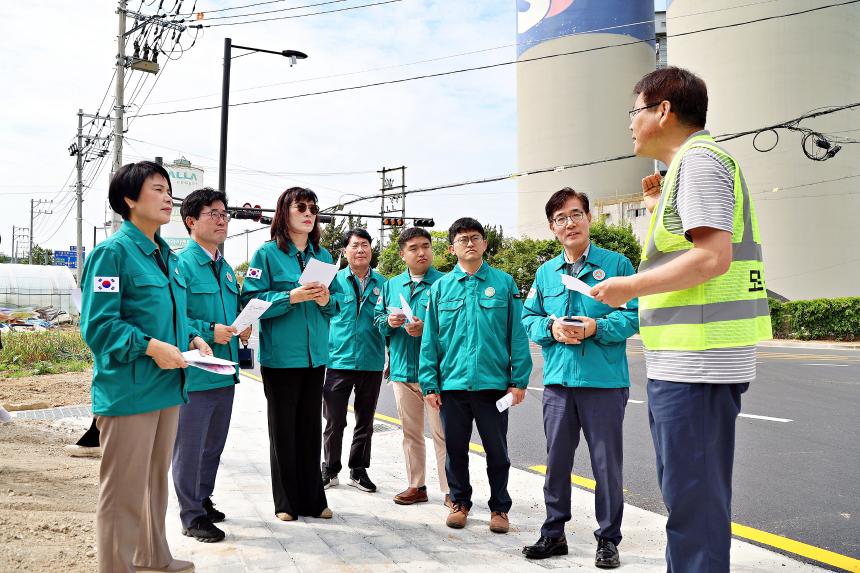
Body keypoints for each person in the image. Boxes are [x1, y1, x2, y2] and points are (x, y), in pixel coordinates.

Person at [592, 67, 772, 572]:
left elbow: (712, 258)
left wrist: (626, 287)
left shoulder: (700, 162)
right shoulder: (684, 171)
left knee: (693, 502)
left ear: (664, 110)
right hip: (685, 359)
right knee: (687, 496)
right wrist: (655, 207)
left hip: (701, 359)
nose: (631, 124)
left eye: (636, 110)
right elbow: (686, 251)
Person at [81, 160, 212, 573]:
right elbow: (99, 328)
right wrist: (151, 346)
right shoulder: (111, 255)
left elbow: (171, 315)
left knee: (155, 485)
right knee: (123, 492)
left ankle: (153, 557)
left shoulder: (167, 258)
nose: (168, 196)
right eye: (157, 189)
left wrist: (191, 335)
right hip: (130, 390)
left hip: (168, 386)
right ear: (129, 199)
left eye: (168, 189)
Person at [520, 188, 639, 567]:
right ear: (552, 228)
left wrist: (595, 328)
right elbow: (529, 318)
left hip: (603, 383)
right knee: (556, 462)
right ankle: (553, 533)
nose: (568, 223)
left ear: (588, 218)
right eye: (560, 219)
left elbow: (634, 315)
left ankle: (608, 539)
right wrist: (551, 329)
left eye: (575, 215)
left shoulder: (617, 264)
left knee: (607, 464)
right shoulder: (545, 272)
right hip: (557, 383)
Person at [419, 217, 532, 534]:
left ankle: (499, 508)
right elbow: (430, 339)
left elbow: (517, 335)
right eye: (462, 238)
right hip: (453, 385)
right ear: (452, 247)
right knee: (455, 451)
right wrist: (430, 382)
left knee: (498, 452)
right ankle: (459, 502)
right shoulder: (441, 288)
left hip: (493, 386)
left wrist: (518, 381)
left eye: (475, 237)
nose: (470, 243)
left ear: (484, 244)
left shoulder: (504, 283)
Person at [241, 186, 339, 522]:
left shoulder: (324, 257)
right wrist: (291, 297)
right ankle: (285, 501)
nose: (309, 213)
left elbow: (336, 304)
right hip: (281, 357)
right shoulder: (266, 255)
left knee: (311, 428)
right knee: (283, 430)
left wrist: (326, 300)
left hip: (316, 357)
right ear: (285, 212)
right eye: (301, 207)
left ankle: (313, 499)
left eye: (313, 207)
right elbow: (250, 302)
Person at [172, 187, 251, 543]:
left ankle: (202, 499)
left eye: (225, 214)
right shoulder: (180, 265)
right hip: (195, 373)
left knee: (213, 445)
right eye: (213, 214)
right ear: (191, 221)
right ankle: (190, 516)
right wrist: (208, 331)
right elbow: (173, 318)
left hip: (225, 370)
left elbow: (228, 317)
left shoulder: (226, 269)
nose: (222, 220)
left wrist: (241, 328)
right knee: (189, 447)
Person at [373, 226, 450, 507]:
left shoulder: (445, 283)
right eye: (414, 248)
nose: (421, 252)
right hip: (402, 371)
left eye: (425, 246)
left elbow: (454, 329)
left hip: (437, 375)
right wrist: (389, 323)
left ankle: (451, 490)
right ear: (403, 254)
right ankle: (416, 485)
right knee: (411, 433)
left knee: (443, 435)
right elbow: (378, 319)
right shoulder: (390, 285)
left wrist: (426, 329)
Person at [322, 228, 386, 493]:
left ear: (371, 250)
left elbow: (390, 320)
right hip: (338, 360)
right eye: (355, 246)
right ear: (345, 252)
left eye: (365, 245)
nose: (361, 250)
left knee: (365, 421)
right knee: (335, 420)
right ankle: (329, 469)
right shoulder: (332, 280)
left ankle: (358, 470)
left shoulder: (384, 283)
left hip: (371, 361)